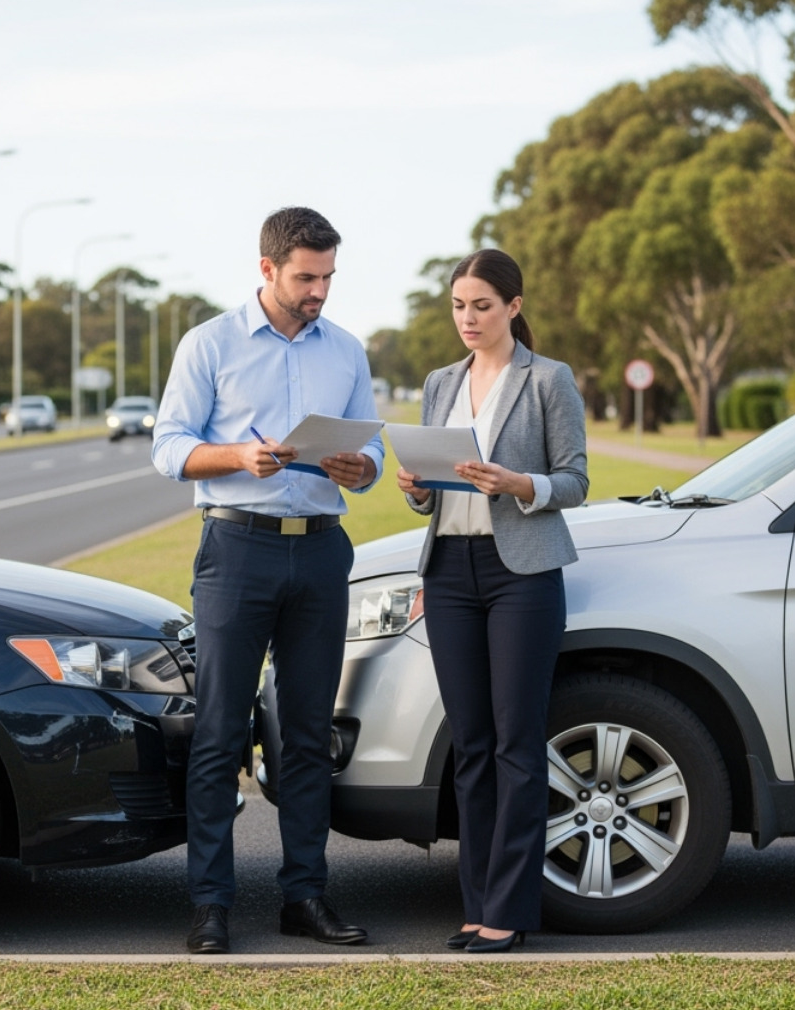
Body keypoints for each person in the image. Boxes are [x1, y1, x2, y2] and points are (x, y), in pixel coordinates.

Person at [152, 207, 384, 954]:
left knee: (308, 734)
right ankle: (211, 905)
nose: (319, 291)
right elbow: (169, 448)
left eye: (327, 278)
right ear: (267, 270)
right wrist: (236, 459)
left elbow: (369, 455)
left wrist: (360, 468)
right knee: (220, 732)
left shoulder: (346, 351)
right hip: (236, 549)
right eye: (306, 278)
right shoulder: (209, 344)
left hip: (320, 551)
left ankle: (305, 897)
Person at [396, 248, 587, 953]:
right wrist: (418, 491)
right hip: (449, 571)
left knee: (515, 743)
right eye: (458, 306)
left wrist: (517, 484)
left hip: (523, 576)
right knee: (470, 746)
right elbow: (432, 490)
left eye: (481, 305)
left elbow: (574, 480)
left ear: (513, 306)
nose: (468, 318)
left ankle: (509, 908)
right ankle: (476, 905)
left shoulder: (548, 381)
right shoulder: (439, 382)